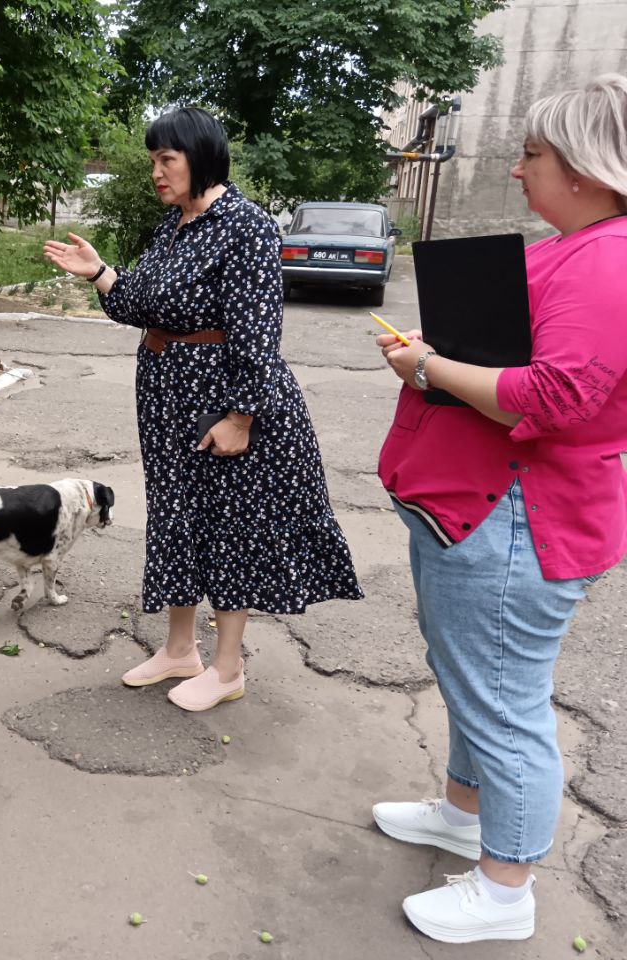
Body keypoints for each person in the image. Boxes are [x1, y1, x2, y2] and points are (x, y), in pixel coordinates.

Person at [372, 74, 627, 943]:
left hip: (517, 515)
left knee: (504, 697)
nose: (518, 172)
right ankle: (462, 811)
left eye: (532, 155)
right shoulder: (580, 245)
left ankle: (505, 886)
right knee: (470, 674)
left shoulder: (608, 258)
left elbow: (551, 397)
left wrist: (426, 369)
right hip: (480, 506)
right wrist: (437, 357)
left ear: (588, 170)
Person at [43, 107, 361, 712]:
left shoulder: (246, 226)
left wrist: (241, 417)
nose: (156, 173)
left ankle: (228, 666)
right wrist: (101, 273)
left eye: (167, 160)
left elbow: (257, 332)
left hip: (220, 401)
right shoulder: (176, 224)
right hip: (167, 399)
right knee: (177, 518)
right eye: (152, 161)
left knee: (229, 526)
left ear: (200, 157)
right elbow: (142, 303)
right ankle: (181, 649)